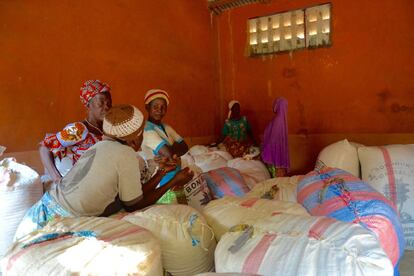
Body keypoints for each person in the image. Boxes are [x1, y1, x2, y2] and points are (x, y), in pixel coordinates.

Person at [15, 104, 194, 239]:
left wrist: (161, 173)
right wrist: (174, 181)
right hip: (61, 222)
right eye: (142, 133)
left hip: (44, 208)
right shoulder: (125, 154)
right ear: (135, 136)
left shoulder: (99, 146)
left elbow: (133, 197)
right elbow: (134, 205)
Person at [39, 80, 112, 183]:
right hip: (83, 187)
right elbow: (45, 147)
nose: (107, 107)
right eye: (101, 103)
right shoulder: (78, 130)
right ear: (88, 105)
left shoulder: (111, 130)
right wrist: (56, 177)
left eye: (109, 103)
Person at [141, 89, 189, 187]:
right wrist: (173, 149)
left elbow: (185, 147)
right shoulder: (147, 130)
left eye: (163, 107)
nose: (160, 110)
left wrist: (169, 152)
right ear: (147, 107)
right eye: (155, 107)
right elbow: (169, 154)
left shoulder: (166, 127)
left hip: (175, 177)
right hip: (160, 183)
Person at [261, 97, 290, 177]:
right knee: (280, 177)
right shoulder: (283, 120)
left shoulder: (277, 120)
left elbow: (273, 139)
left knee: (274, 177)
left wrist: (266, 151)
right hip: (279, 155)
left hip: (274, 154)